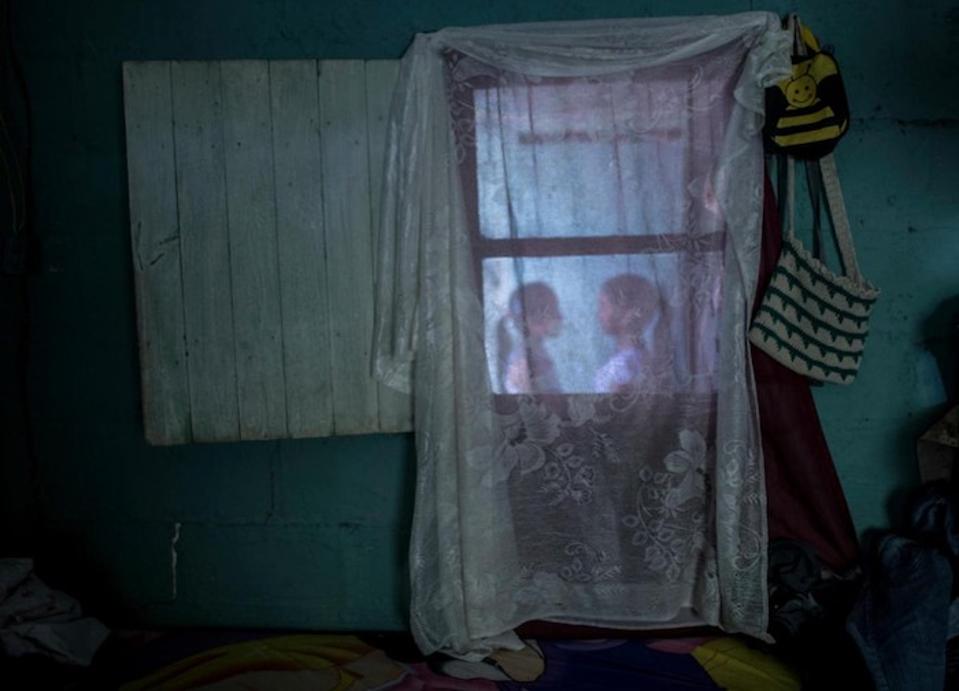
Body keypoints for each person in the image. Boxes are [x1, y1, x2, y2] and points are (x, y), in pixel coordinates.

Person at [594, 273, 661, 393]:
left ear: (627, 313)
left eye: (603, 305)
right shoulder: (634, 358)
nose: (598, 314)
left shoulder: (626, 367)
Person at [498, 282, 563, 394]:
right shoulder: (522, 363)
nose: (561, 317)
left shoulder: (537, 352)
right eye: (554, 311)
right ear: (536, 320)